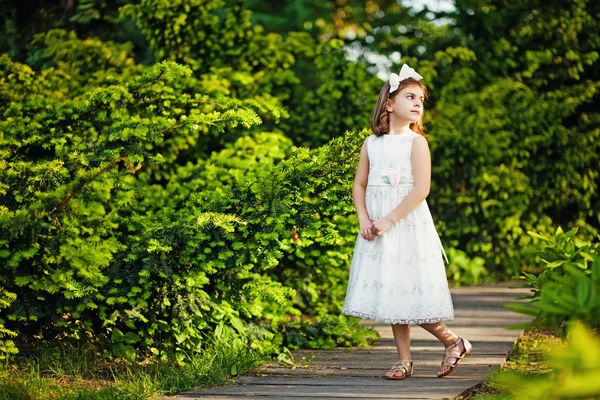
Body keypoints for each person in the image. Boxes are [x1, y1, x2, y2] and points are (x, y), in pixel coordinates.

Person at [341, 64, 472, 380]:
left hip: (407, 226)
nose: (417, 104)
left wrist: (389, 219)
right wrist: (364, 217)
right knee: (391, 292)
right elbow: (359, 185)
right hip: (377, 227)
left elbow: (421, 189)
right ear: (389, 103)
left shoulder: (417, 143)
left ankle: (453, 341)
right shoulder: (372, 144)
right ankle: (404, 360)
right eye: (410, 96)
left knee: (408, 292)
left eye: (421, 100)